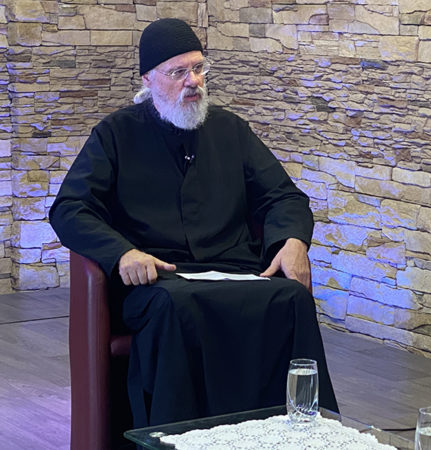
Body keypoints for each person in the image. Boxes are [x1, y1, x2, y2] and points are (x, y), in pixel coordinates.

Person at [49, 18, 338, 428]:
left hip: (234, 269)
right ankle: (178, 437)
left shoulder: (230, 130)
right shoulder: (116, 134)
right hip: (159, 280)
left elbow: (284, 196)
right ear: (148, 79)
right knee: (176, 307)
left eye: (199, 68)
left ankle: (302, 431)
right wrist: (123, 254)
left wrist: (292, 240)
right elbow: (69, 207)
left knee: (291, 297)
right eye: (178, 72)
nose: (193, 81)